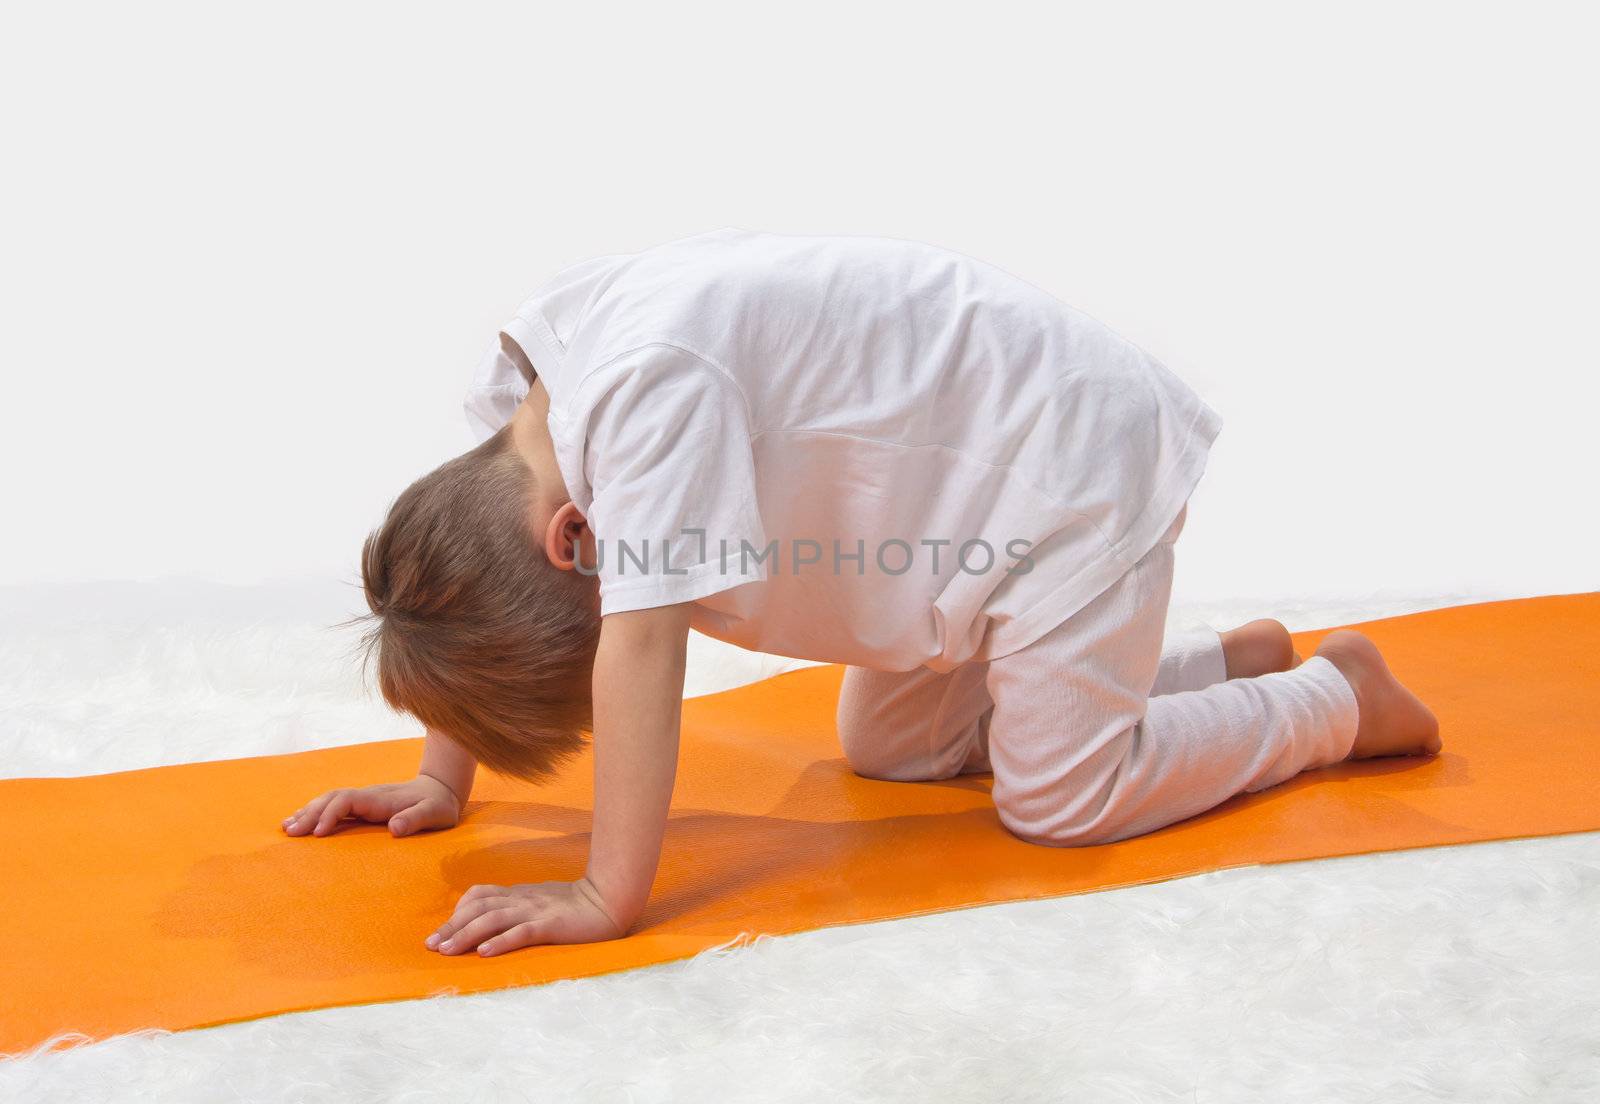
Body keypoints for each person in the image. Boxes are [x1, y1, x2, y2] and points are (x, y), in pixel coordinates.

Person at [282, 229, 1441, 958]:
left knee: (1062, 801)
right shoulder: (539, 396)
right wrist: (445, 771)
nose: (636, 594)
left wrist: (604, 892)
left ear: (578, 541)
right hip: (960, 537)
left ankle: (1336, 697)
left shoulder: (646, 401)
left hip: (1063, 474)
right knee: (887, 746)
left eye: (597, 608)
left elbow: (641, 651)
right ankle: (1209, 666)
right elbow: (467, 568)